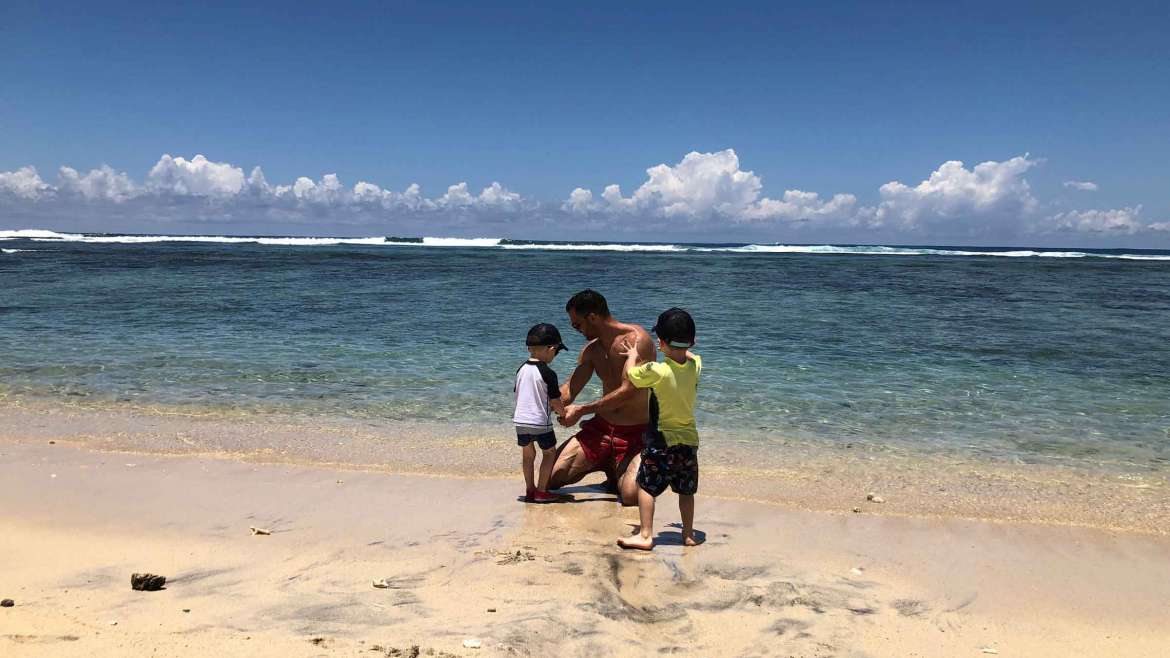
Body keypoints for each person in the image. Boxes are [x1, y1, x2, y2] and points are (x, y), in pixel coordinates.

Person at [548, 290, 657, 505]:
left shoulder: (637, 341)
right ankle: (608, 465)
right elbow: (569, 390)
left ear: (593, 317)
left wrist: (582, 410)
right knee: (551, 478)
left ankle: (623, 469)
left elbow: (629, 391)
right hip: (601, 430)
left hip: (636, 434)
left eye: (577, 324)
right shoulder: (592, 350)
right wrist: (540, 398)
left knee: (631, 497)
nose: (575, 330)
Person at [616, 308, 702, 550]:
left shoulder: (656, 370)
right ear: (692, 341)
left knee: (646, 487)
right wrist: (682, 348)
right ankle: (688, 534)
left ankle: (645, 535)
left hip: (660, 440)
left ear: (661, 342)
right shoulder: (695, 366)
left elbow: (632, 376)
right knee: (686, 491)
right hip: (688, 441)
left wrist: (632, 355)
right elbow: (692, 356)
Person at [513, 323, 567, 503]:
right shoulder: (548, 373)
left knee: (528, 455)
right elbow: (554, 401)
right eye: (556, 352)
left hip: (520, 421)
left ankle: (530, 489)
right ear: (551, 349)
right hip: (539, 423)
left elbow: (520, 393)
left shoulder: (521, 369)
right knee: (549, 453)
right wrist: (563, 413)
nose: (555, 355)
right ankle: (542, 491)